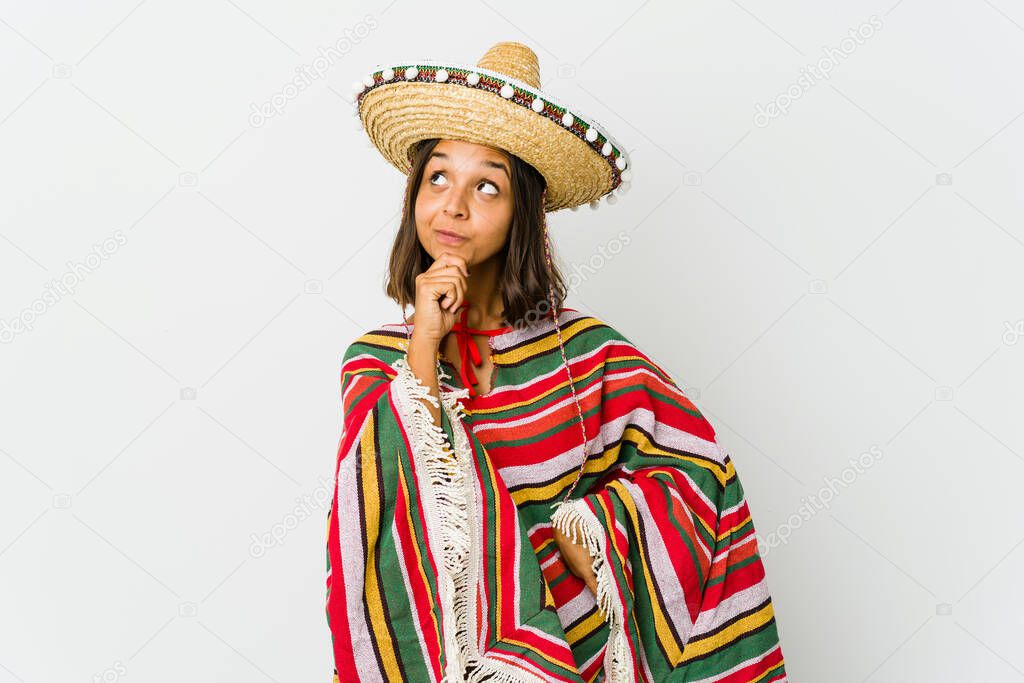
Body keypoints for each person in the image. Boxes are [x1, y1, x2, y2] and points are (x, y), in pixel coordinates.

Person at [326, 41, 788, 682]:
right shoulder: (378, 358)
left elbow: (701, 473)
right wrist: (427, 343)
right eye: (438, 177)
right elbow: (383, 501)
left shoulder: (590, 353)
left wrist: (600, 527)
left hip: (581, 661)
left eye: (486, 185)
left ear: (524, 214)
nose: (452, 205)